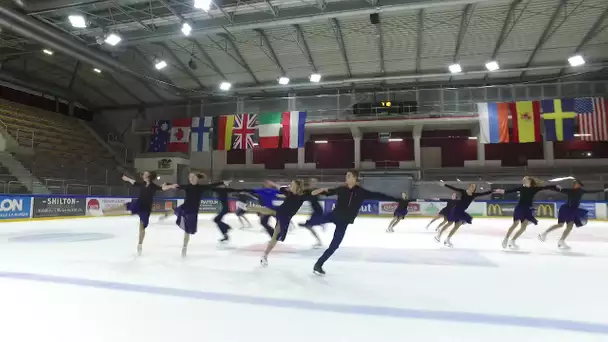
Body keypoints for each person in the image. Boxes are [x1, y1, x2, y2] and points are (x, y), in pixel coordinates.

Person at [310, 170, 404, 275]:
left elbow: (379, 195)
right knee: (314, 221)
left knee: (334, 245)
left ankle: (318, 264)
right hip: (334, 215)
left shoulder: (361, 192)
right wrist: (319, 190)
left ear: (355, 178)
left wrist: (397, 199)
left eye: (349, 176)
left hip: (344, 221)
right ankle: (307, 224)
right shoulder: (341, 189)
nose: (346, 178)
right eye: (346, 176)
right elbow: (323, 193)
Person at [162, 173, 224, 257]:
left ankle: (184, 247)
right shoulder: (187, 186)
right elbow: (175, 186)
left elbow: (211, 185)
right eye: (190, 177)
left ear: (197, 179)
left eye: (193, 177)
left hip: (193, 211)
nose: (191, 178)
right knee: (175, 210)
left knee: (187, 231)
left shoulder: (201, 188)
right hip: (185, 207)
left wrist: (222, 182)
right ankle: (166, 215)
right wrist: (168, 186)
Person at [104, 172, 163, 255]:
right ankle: (105, 211)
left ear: (148, 177)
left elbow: (162, 188)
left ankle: (139, 244)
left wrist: (170, 186)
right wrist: (126, 178)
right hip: (138, 204)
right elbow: (134, 182)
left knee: (142, 227)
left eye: (144, 174)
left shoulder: (153, 186)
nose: (142, 175)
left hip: (145, 209)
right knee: (125, 206)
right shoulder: (142, 184)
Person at [538, 180, 608, 249]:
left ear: (579, 185)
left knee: (570, 227)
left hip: (572, 210)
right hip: (566, 209)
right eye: (574, 183)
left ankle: (561, 241)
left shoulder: (581, 190)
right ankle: (544, 234)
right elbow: (558, 190)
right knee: (560, 225)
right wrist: (555, 186)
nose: (574, 184)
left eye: (575, 183)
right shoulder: (570, 191)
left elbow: (592, 191)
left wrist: (604, 190)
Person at [498, 177, 556, 250]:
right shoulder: (521, 188)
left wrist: (555, 187)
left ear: (529, 181)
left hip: (527, 209)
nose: (523, 180)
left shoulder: (534, 189)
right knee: (515, 224)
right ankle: (506, 239)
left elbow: (546, 187)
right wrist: (502, 191)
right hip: (519, 208)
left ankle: (512, 241)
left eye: (524, 179)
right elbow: (510, 191)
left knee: (523, 228)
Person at [260, 180, 306, 267]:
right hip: (280, 212)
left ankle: (265, 255)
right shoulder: (288, 192)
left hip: (285, 218)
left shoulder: (302, 196)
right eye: (290, 184)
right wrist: (272, 183)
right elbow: (279, 187)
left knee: (276, 237)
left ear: (297, 186)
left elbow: (313, 193)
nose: (290, 185)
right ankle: (247, 207)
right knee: (268, 210)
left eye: (292, 184)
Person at [435, 183, 495, 248]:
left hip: (461, 211)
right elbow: (454, 188)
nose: (472, 188)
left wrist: (493, 191)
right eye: (472, 186)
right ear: (469, 186)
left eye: (474, 187)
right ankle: (439, 235)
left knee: (457, 225)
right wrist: (445, 185)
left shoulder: (474, 195)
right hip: (456, 210)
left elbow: (484, 193)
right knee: (450, 223)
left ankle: (447, 239)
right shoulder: (463, 192)